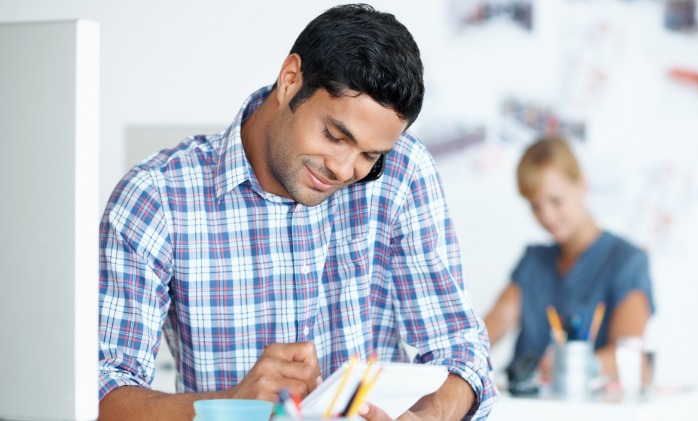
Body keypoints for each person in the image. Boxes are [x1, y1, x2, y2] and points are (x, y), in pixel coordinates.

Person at [98, 4, 497, 420]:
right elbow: (100, 392)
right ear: (290, 80)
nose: (344, 170)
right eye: (334, 135)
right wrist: (229, 407)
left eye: (369, 156)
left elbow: (462, 352)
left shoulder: (403, 172)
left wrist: (430, 416)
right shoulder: (156, 198)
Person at [483, 136, 654, 382]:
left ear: (583, 184)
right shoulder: (534, 261)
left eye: (555, 201)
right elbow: (493, 326)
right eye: (535, 206)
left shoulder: (627, 260)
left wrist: (583, 364)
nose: (546, 216)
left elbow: (630, 353)